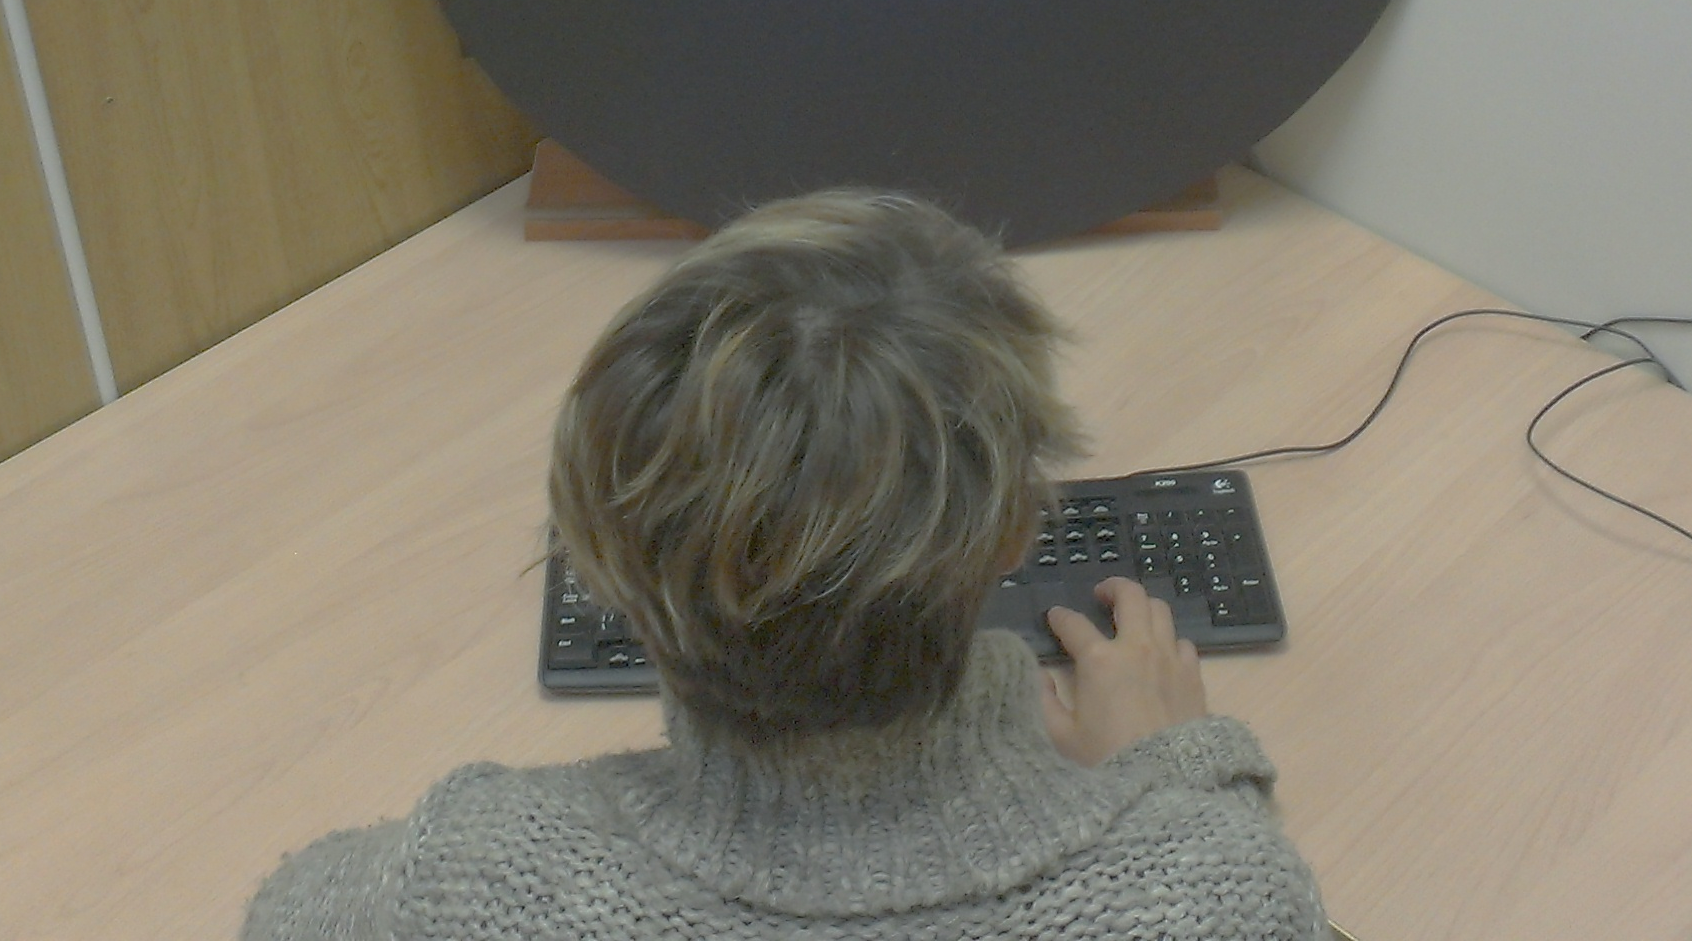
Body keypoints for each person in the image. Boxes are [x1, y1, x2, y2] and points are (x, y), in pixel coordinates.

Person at [242, 189, 1328, 939]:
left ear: (600, 560)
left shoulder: (469, 880)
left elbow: (285, 913)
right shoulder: (1212, 891)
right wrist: (1181, 768)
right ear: (1013, 531)